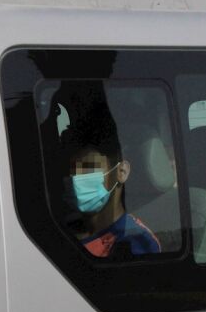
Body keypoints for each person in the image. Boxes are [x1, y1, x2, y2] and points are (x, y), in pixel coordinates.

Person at [60, 104, 161, 258]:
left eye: (88, 169)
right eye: (71, 172)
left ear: (122, 172)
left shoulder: (135, 242)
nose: (75, 180)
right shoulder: (64, 226)